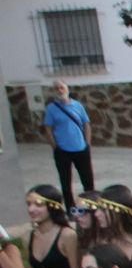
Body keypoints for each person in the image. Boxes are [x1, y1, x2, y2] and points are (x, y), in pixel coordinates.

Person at [41, 80, 93, 208]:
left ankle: (91, 205)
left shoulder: (78, 106)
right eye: (57, 88)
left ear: (67, 88)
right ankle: (70, 209)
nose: (60, 90)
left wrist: (87, 143)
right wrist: (55, 146)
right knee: (65, 182)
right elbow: (48, 128)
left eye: (62, 87)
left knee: (88, 180)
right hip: (62, 151)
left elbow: (86, 124)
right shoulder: (51, 108)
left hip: (81, 149)